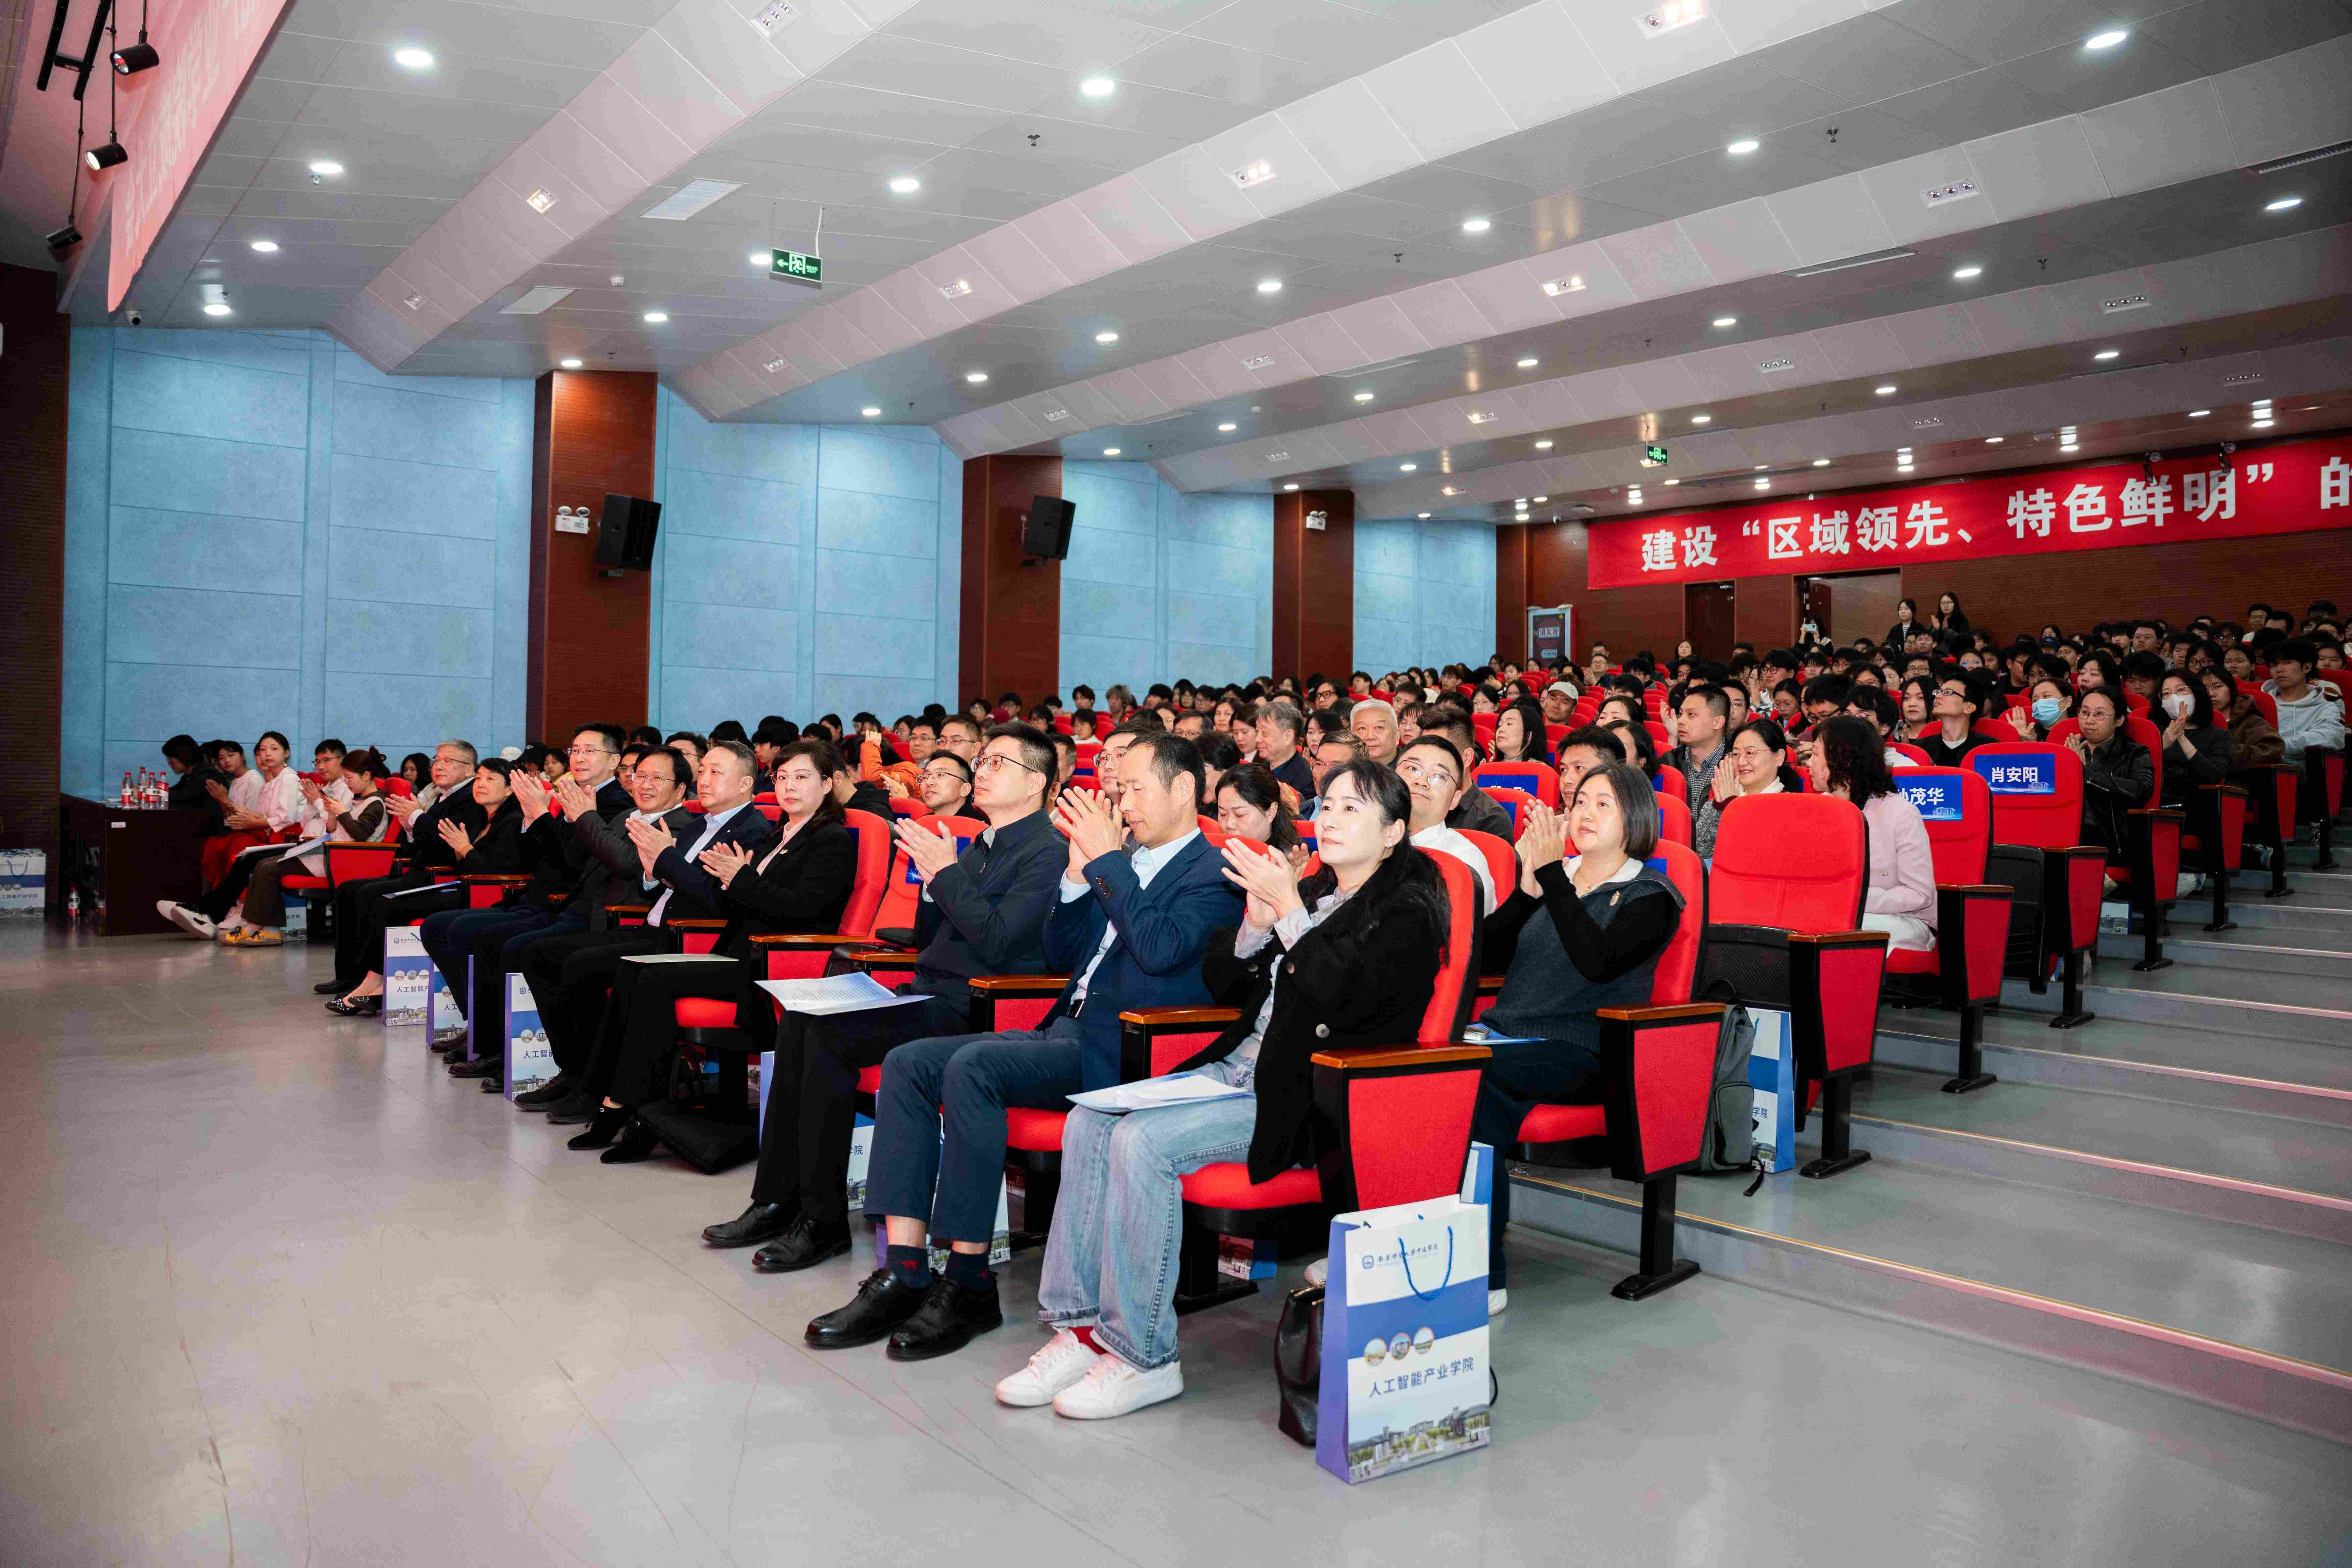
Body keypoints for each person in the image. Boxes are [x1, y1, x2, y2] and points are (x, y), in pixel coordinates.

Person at [994, 758, 1444, 1416]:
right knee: (1091, 1120)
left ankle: (1143, 1356)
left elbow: (1344, 1004)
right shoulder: (1315, 891)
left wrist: (1289, 913)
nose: (1331, 818)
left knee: (1142, 1143)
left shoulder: (1409, 911)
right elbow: (1230, 991)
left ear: (1394, 831)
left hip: (1308, 1102)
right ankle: (1081, 1329)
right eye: (1329, 804)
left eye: (1353, 807)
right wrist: (1257, 927)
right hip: (1237, 1071)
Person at [800, 731, 1240, 1360]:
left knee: (974, 1066)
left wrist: (1106, 865)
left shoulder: (1214, 872)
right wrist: (1075, 881)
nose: (1123, 802)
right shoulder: (1123, 860)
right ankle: (905, 1267)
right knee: (909, 1063)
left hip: (1128, 1050)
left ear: (1185, 790)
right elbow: (1064, 956)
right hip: (1066, 1029)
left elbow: (1159, 948)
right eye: (1120, 789)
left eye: (1136, 789)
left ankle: (969, 1279)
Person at [700, 725, 1066, 1260]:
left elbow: (998, 942)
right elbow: (928, 938)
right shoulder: (978, 846)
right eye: (982, 760)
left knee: (828, 1037)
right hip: (928, 991)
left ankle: (823, 1220)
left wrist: (944, 876)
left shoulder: (1048, 853)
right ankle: (777, 1198)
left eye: (996, 764)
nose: (982, 771)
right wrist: (935, 883)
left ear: (1036, 782)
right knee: (800, 1019)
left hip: (982, 1007)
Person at [572, 739, 860, 1163]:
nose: (789, 787)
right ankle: (606, 1097)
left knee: (654, 978)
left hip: (777, 969)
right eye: (782, 777)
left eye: (802, 778)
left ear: (829, 784)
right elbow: (739, 904)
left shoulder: (831, 839)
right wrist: (728, 881)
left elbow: (802, 909)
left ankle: (636, 1112)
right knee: (635, 968)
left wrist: (739, 879)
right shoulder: (779, 835)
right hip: (739, 955)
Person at [1465, 766, 1680, 1310]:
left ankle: (1481, 1272)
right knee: (1407, 1071)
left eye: (1603, 804)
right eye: (1580, 801)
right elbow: (1482, 956)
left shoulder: (1651, 895)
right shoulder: (1552, 878)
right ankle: (1389, 1242)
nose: (1584, 813)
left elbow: (1596, 961)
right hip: (1506, 1036)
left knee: (1471, 1081)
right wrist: (1526, 890)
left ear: (1634, 818)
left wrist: (1552, 879)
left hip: (1585, 1050)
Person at [419, 724, 634, 1086]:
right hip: (538, 895)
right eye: (576, 750)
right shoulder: (573, 791)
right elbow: (544, 856)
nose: (579, 758)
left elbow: (576, 864)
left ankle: (498, 1046)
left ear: (614, 761)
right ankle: (481, 1027)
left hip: (568, 904)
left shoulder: (617, 804)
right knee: (438, 927)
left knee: (488, 939)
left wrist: (541, 816)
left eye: (590, 751)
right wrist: (535, 817)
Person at [508, 746, 708, 1103]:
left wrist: (588, 818)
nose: (645, 784)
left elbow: (628, 864)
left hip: (626, 917)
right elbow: (576, 862)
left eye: (657, 779)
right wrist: (567, 819)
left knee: (571, 963)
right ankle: (573, 1068)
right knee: (537, 954)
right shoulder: (628, 815)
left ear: (681, 789)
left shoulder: (679, 824)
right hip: (597, 913)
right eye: (640, 776)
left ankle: (591, 1078)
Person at [1806, 718, 1934, 952]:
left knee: (1836, 926)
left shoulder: (1901, 813)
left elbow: (1920, 895)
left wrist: (1852, 899)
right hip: (1834, 914)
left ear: (1841, 759)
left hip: (1901, 919)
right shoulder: (1817, 811)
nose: (1808, 763)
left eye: (1815, 754)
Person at [1397, 735, 1498, 912]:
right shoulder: (1364, 839)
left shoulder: (1464, 861)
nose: (1421, 782)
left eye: (1439, 777)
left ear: (1454, 800)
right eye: (1413, 768)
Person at [2069, 689, 2154, 861]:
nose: (2089, 721)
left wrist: (2084, 772)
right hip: (2068, 836)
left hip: (2110, 842)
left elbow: (2141, 791)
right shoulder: (2069, 750)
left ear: (2119, 720)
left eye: (2099, 714)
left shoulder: (2135, 753)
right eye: (2085, 713)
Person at [1695, 718, 1798, 859]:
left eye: (1750, 753)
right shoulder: (1716, 806)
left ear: (1778, 758)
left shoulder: (1794, 809)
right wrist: (1722, 809)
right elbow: (1700, 858)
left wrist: (1733, 809)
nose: (1741, 762)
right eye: (1736, 754)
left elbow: (1762, 858)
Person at [1417, 708, 1513, 841]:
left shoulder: (1491, 820)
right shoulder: (1414, 801)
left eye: (1438, 753)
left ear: (1467, 758)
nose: (1427, 763)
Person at [2264, 638, 2347, 768]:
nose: (2279, 669)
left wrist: (2278, 747)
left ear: (2306, 667)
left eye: (2287, 663)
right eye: (2273, 665)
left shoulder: (2325, 708)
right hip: (2260, 766)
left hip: (2303, 770)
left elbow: (2330, 737)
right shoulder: (2260, 702)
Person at [2158, 671, 2233, 809]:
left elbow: (2213, 777)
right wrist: (2163, 745)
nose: (2174, 698)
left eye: (2181, 690)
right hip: (2158, 805)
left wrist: (2181, 737)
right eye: (2167, 693)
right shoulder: (2154, 731)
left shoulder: (2219, 736)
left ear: (2197, 695)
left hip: (2198, 806)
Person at [1212, 762, 1307, 870]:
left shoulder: (1289, 863)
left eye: (1240, 815)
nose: (1229, 824)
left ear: (1271, 812)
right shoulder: (1217, 852)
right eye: (1223, 814)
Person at [2203, 668, 2284, 772]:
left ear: (2231, 688)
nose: (2211, 694)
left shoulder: (2248, 719)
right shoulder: (2193, 721)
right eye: (2205, 689)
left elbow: (2275, 747)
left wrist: (2228, 753)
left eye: (2218, 687)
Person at [1663, 685, 1728, 800]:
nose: (1680, 721)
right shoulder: (1668, 762)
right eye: (1681, 714)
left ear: (1718, 723)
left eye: (1691, 715)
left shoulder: (1737, 765)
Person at [1917, 675, 1991, 768]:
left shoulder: (1990, 750)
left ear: (1969, 708)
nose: (1938, 696)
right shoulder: (1920, 750)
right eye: (1938, 692)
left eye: (1948, 692)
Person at [160, 734, 225, 814]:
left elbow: (183, 796)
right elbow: (175, 791)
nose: (169, 764)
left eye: (171, 759)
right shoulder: (189, 776)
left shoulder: (208, 775)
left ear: (183, 755)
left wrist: (157, 793)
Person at [2004, 677, 2072, 742]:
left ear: (2068, 702)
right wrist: (2022, 741)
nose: (2040, 702)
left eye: (2046, 696)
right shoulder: (2029, 732)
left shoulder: (2077, 731)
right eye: (2035, 700)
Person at [1490, 697, 1550, 766]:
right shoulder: (1490, 767)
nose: (1501, 730)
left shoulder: (1540, 769)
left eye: (1509, 724)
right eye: (1500, 725)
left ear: (1529, 735)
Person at [916, 751, 975, 818]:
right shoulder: (922, 822)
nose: (929, 782)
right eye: (925, 777)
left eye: (940, 775)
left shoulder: (978, 823)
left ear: (964, 790)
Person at [1349, 698, 1399, 766]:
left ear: (1397, 736)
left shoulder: (1411, 765)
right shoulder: (1343, 767)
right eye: (1362, 728)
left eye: (1379, 727)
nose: (1370, 737)